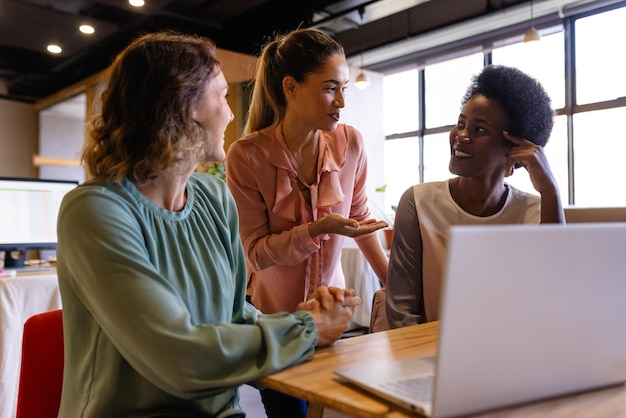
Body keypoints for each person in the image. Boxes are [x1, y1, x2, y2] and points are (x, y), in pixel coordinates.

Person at [55, 30, 361, 418]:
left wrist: (309, 320)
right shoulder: (95, 212)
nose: (232, 113)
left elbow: (235, 316)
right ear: (184, 105)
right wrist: (306, 329)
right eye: (221, 95)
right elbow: (177, 356)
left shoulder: (214, 198)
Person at [224, 28, 389, 417]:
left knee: (332, 410)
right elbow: (254, 254)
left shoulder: (351, 143)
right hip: (276, 323)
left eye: (344, 87)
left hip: (334, 315)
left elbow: (359, 216)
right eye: (331, 88)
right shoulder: (246, 156)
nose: (342, 102)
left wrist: (389, 279)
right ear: (291, 87)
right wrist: (317, 230)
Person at [385, 64, 565, 329]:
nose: (461, 136)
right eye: (461, 124)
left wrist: (551, 191)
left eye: (479, 130)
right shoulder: (418, 202)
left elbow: (553, 298)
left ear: (514, 149)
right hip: (430, 358)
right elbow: (401, 313)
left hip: (514, 355)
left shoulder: (537, 212)